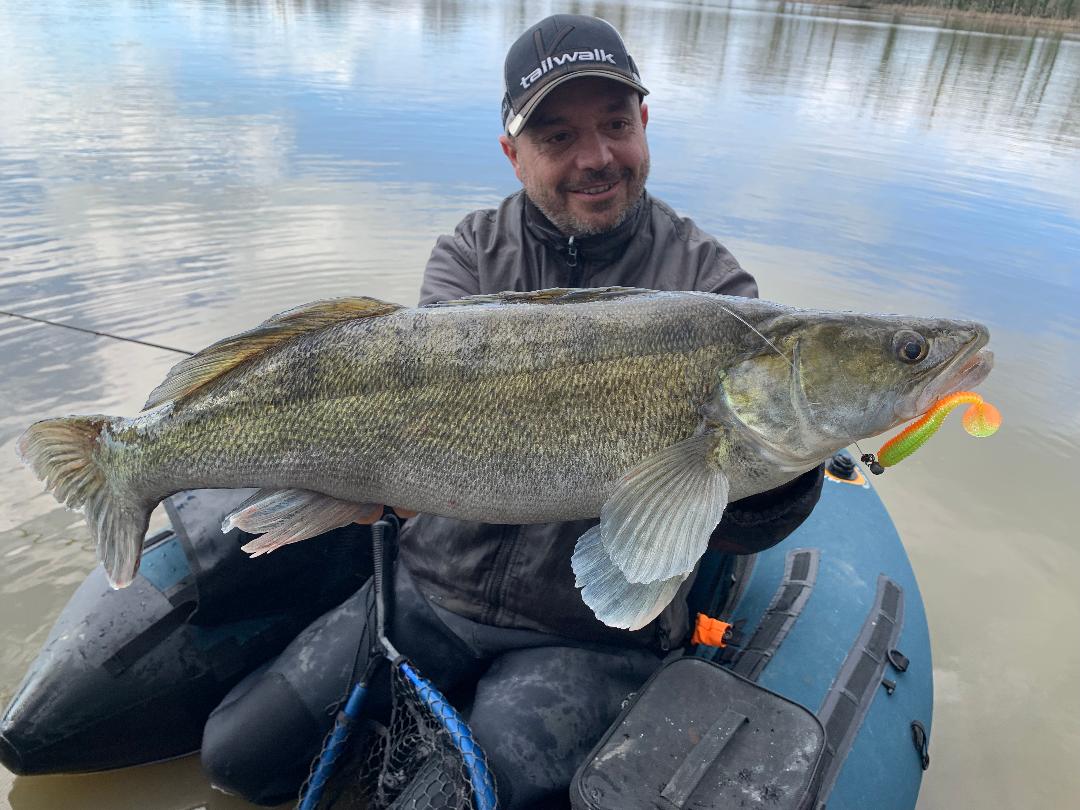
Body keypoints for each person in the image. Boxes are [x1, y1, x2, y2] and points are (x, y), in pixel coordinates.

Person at [200, 14, 824, 809]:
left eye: (615, 125)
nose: (596, 157)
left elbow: (732, 517)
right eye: (558, 136)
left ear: (645, 124)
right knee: (237, 757)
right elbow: (421, 438)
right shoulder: (471, 253)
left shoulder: (716, 290)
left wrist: (781, 479)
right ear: (513, 153)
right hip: (430, 587)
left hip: (586, 632)